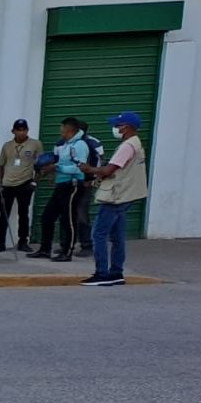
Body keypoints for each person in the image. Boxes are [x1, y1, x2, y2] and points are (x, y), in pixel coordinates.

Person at [78, 111, 150, 286]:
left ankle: (102, 274)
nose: (115, 128)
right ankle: (116, 272)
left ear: (127, 127)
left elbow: (108, 170)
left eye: (118, 125)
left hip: (116, 196)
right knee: (117, 236)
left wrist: (89, 169)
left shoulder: (127, 146)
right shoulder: (136, 143)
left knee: (98, 234)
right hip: (126, 195)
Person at [28, 117, 88, 262]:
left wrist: (57, 167)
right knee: (47, 216)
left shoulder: (79, 145)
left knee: (68, 219)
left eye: (63, 130)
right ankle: (45, 249)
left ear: (71, 131)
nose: (61, 133)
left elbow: (79, 168)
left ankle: (67, 252)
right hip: (61, 184)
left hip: (72, 185)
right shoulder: (65, 145)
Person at [0, 119, 43, 252]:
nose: (21, 132)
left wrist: (34, 182)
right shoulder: (7, 146)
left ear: (27, 130)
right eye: (18, 130)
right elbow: (0, 165)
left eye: (24, 130)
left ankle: (23, 242)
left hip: (25, 183)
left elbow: (41, 165)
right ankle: (0, 242)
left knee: (23, 214)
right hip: (7, 184)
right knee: (4, 214)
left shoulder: (35, 144)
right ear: (13, 131)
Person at [73, 120, 104, 257]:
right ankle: (67, 244)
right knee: (67, 214)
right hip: (69, 182)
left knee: (81, 214)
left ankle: (86, 245)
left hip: (85, 183)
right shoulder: (68, 141)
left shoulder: (93, 143)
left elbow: (99, 162)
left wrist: (92, 180)